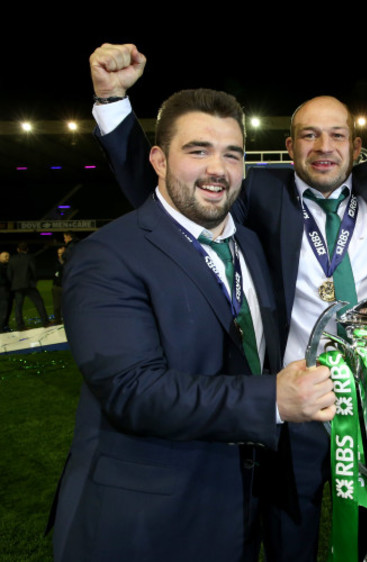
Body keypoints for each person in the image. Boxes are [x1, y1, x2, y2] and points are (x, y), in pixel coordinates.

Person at [88, 36, 367, 560]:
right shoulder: (260, 195)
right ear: (289, 149)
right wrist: (113, 104)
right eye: (308, 135)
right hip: (297, 410)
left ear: (357, 147)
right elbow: (167, 186)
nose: (323, 147)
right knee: (292, 536)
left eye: (336, 135)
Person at [48, 88, 338, 562]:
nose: (217, 170)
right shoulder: (107, 255)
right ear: (158, 160)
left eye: (232, 154)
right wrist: (275, 400)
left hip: (239, 509)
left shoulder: (248, 244)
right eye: (197, 150)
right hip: (145, 521)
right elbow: (132, 390)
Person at [7, 242, 50, 330]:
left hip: (17, 286)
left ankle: (20, 325)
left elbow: (9, 274)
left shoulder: (12, 259)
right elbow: (33, 270)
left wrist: (13, 283)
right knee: (39, 303)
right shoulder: (29, 258)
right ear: (27, 249)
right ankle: (45, 322)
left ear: (18, 250)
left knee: (18, 307)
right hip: (28, 285)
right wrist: (34, 281)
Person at [51, 245, 65, 324]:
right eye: (59, 253)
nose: (60, 255)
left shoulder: (68, 262)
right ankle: (57, 320)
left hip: (65, 286)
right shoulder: (55, 262)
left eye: (61, 253)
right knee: (56, 306)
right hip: (57, 286)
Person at [0, 251, 12, 331]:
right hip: (3, 290)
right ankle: (1, 327)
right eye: (5, 256)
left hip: (8, 290)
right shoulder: (2, 267)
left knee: (8, 309)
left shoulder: (8, 266)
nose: (7, 258)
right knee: (4, 310)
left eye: (8, 256)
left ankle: (5, 325)